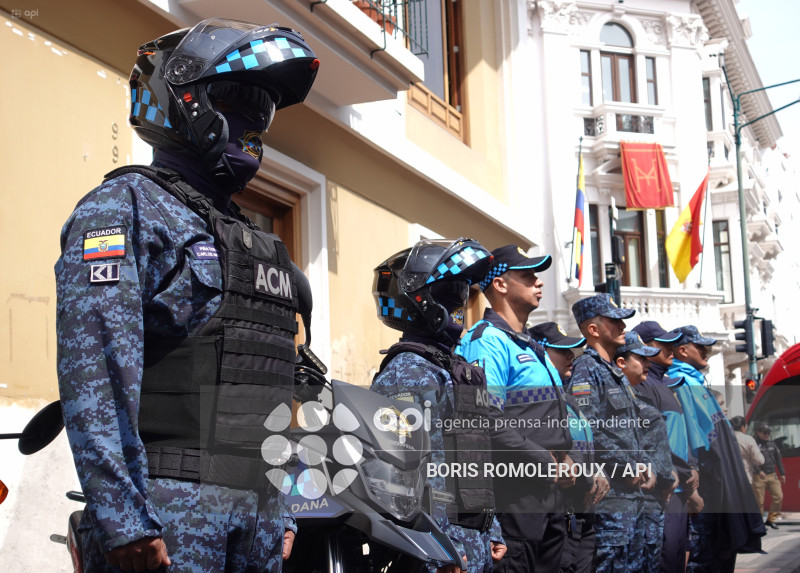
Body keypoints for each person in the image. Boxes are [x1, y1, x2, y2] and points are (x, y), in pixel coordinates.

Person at [56, 18, 319, 572]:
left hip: (261, 518)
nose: (254, 121)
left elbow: (279, 384)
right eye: (239, 98)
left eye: (264, 107)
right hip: (168, 515)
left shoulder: (261, 246)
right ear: (185, 101)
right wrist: (123, 520)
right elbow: (95, 372)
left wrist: (287, 507)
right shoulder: (123, 208)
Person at [370, 238, 506, 573]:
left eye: (463, 294)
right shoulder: (407, 374)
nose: (461, 304)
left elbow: (470, 460)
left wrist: (491, 527)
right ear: (420, 301)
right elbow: (403, 478)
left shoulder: (452, 369)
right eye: (451, 295)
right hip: (439, 553)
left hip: (471, 544)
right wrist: (442, 549)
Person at [456, 245, 577, 573]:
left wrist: (566, 460)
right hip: (513, 498)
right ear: (500, 285)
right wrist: (544, 461)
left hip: (548, 496)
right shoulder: (487, 341)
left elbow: (554, 420)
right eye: (528, 276)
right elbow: (484, 420)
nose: (538, 282)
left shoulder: (530, 345)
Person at [568, 294, 656, 573]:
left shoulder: (611, 372)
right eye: (615, 320)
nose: (622, 326)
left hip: (631, 495)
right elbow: (586, 428)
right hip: (611, 497)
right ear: (593, 329)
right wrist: (626, 465)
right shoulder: (587, 369)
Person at [668, 326, 764, 572]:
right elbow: (692, 441)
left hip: (720, 487)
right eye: (700, 347)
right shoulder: (682, 383)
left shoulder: (695, 381)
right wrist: (693, 488)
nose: (706, 351)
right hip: (708, 489)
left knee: (721, 552)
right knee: (707, 558)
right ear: (682, 350)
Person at [528, 322, 609, 573]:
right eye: (561, 351)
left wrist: (597, 472)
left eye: (571, 351)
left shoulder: (568, 399)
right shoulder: (537, 397)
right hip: (559, 508)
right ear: (540, 352)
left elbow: (583, 445)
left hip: (583, 510)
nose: (570, 357)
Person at [632, 321, 701, 573]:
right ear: (647, 347)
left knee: (676, 560)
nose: (672, 348)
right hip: (665, 490)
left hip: (680, 488)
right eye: (664, 344)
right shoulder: (644, 384)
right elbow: (654, 440)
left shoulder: (664, 384)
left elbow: (679, 436)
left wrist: (691, 468)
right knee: (665, 560)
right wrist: (684, 473)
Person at [614, 332, 678, 573]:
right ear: (621, 363)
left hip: (650, 500)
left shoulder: (638, 396)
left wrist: (667, 472)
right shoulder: (619, 397)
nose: (649, 365)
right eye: (642, 359)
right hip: (631, 499)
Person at [753, 423, 786, 530]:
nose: (767, 435)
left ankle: (771, 519)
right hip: (759, 476)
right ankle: (759, 522)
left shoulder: (773, 444)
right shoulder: (755, 444)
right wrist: (758, 471)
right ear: (759, 433)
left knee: (778, 497)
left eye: (768, 433)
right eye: (764, 433)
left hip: (772, 475)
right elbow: (751, 459)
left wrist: (782, 473)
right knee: (759, 501)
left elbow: (778, 459)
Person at [729, 416, 764, 485]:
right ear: (742, 427)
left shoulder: (725, 439)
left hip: (729, 479)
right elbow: (760, 460)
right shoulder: (748, 439)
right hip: (745, 478)